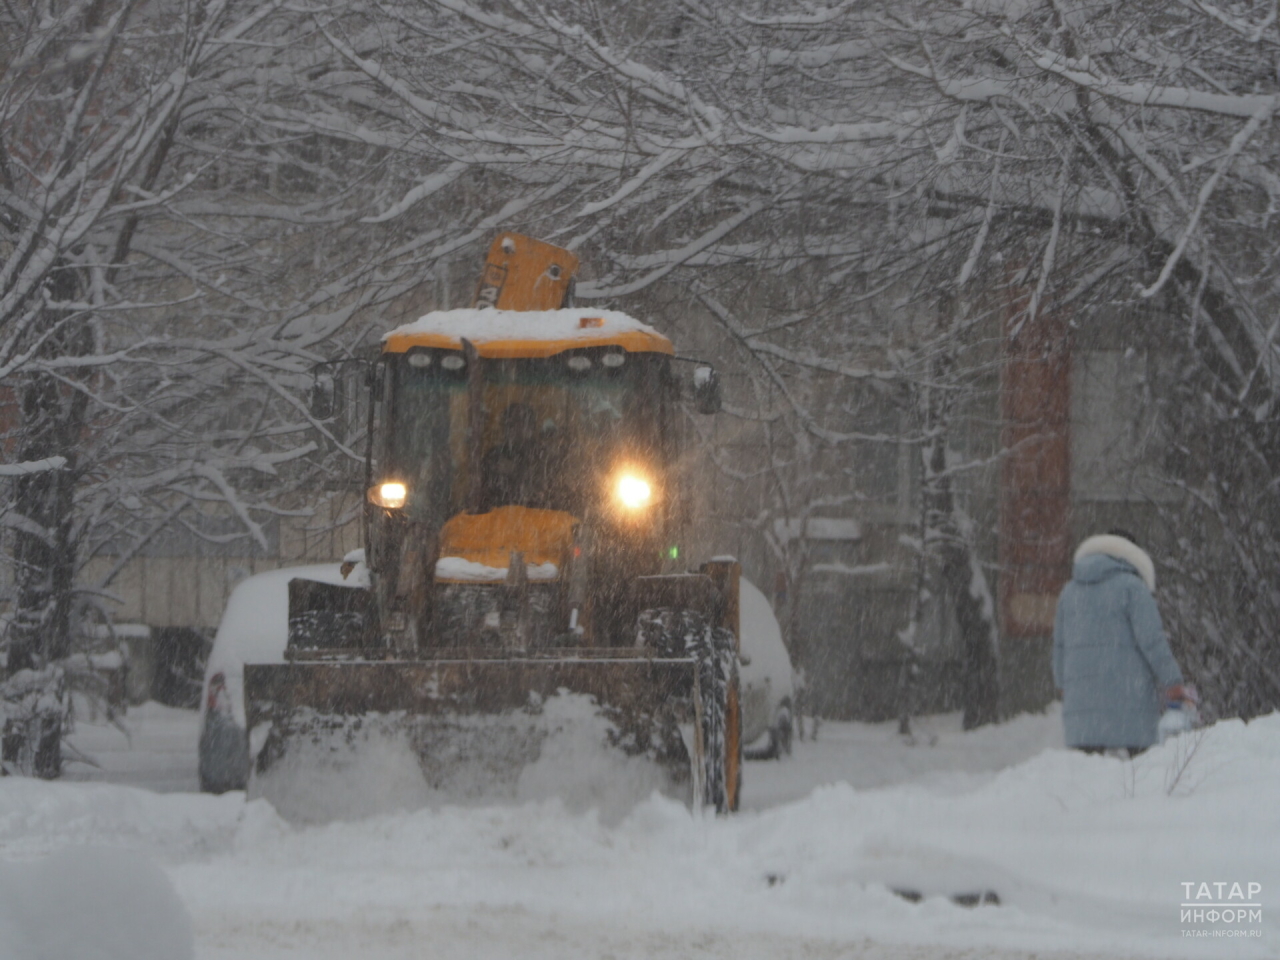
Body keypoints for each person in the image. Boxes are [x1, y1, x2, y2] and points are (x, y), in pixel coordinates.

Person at [1052, 530, 1194, 756]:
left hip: (1083, 706)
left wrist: (1063, 685)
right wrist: (1173, 681)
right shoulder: (1132, 588)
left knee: (1084, 779)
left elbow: (1059, 646)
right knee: (1140, 777)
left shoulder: (1069, 593)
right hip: (1130, 703)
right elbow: (1152, 641)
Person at [480, 402, 547, 510]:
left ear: (532, 426)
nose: (514, 429)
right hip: (496, 520)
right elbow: (481, 493)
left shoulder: (543, 455)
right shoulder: (493, 456)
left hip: (538, 518)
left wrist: (516, 469)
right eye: (509, 424)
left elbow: (546, 487)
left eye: (520, 423)